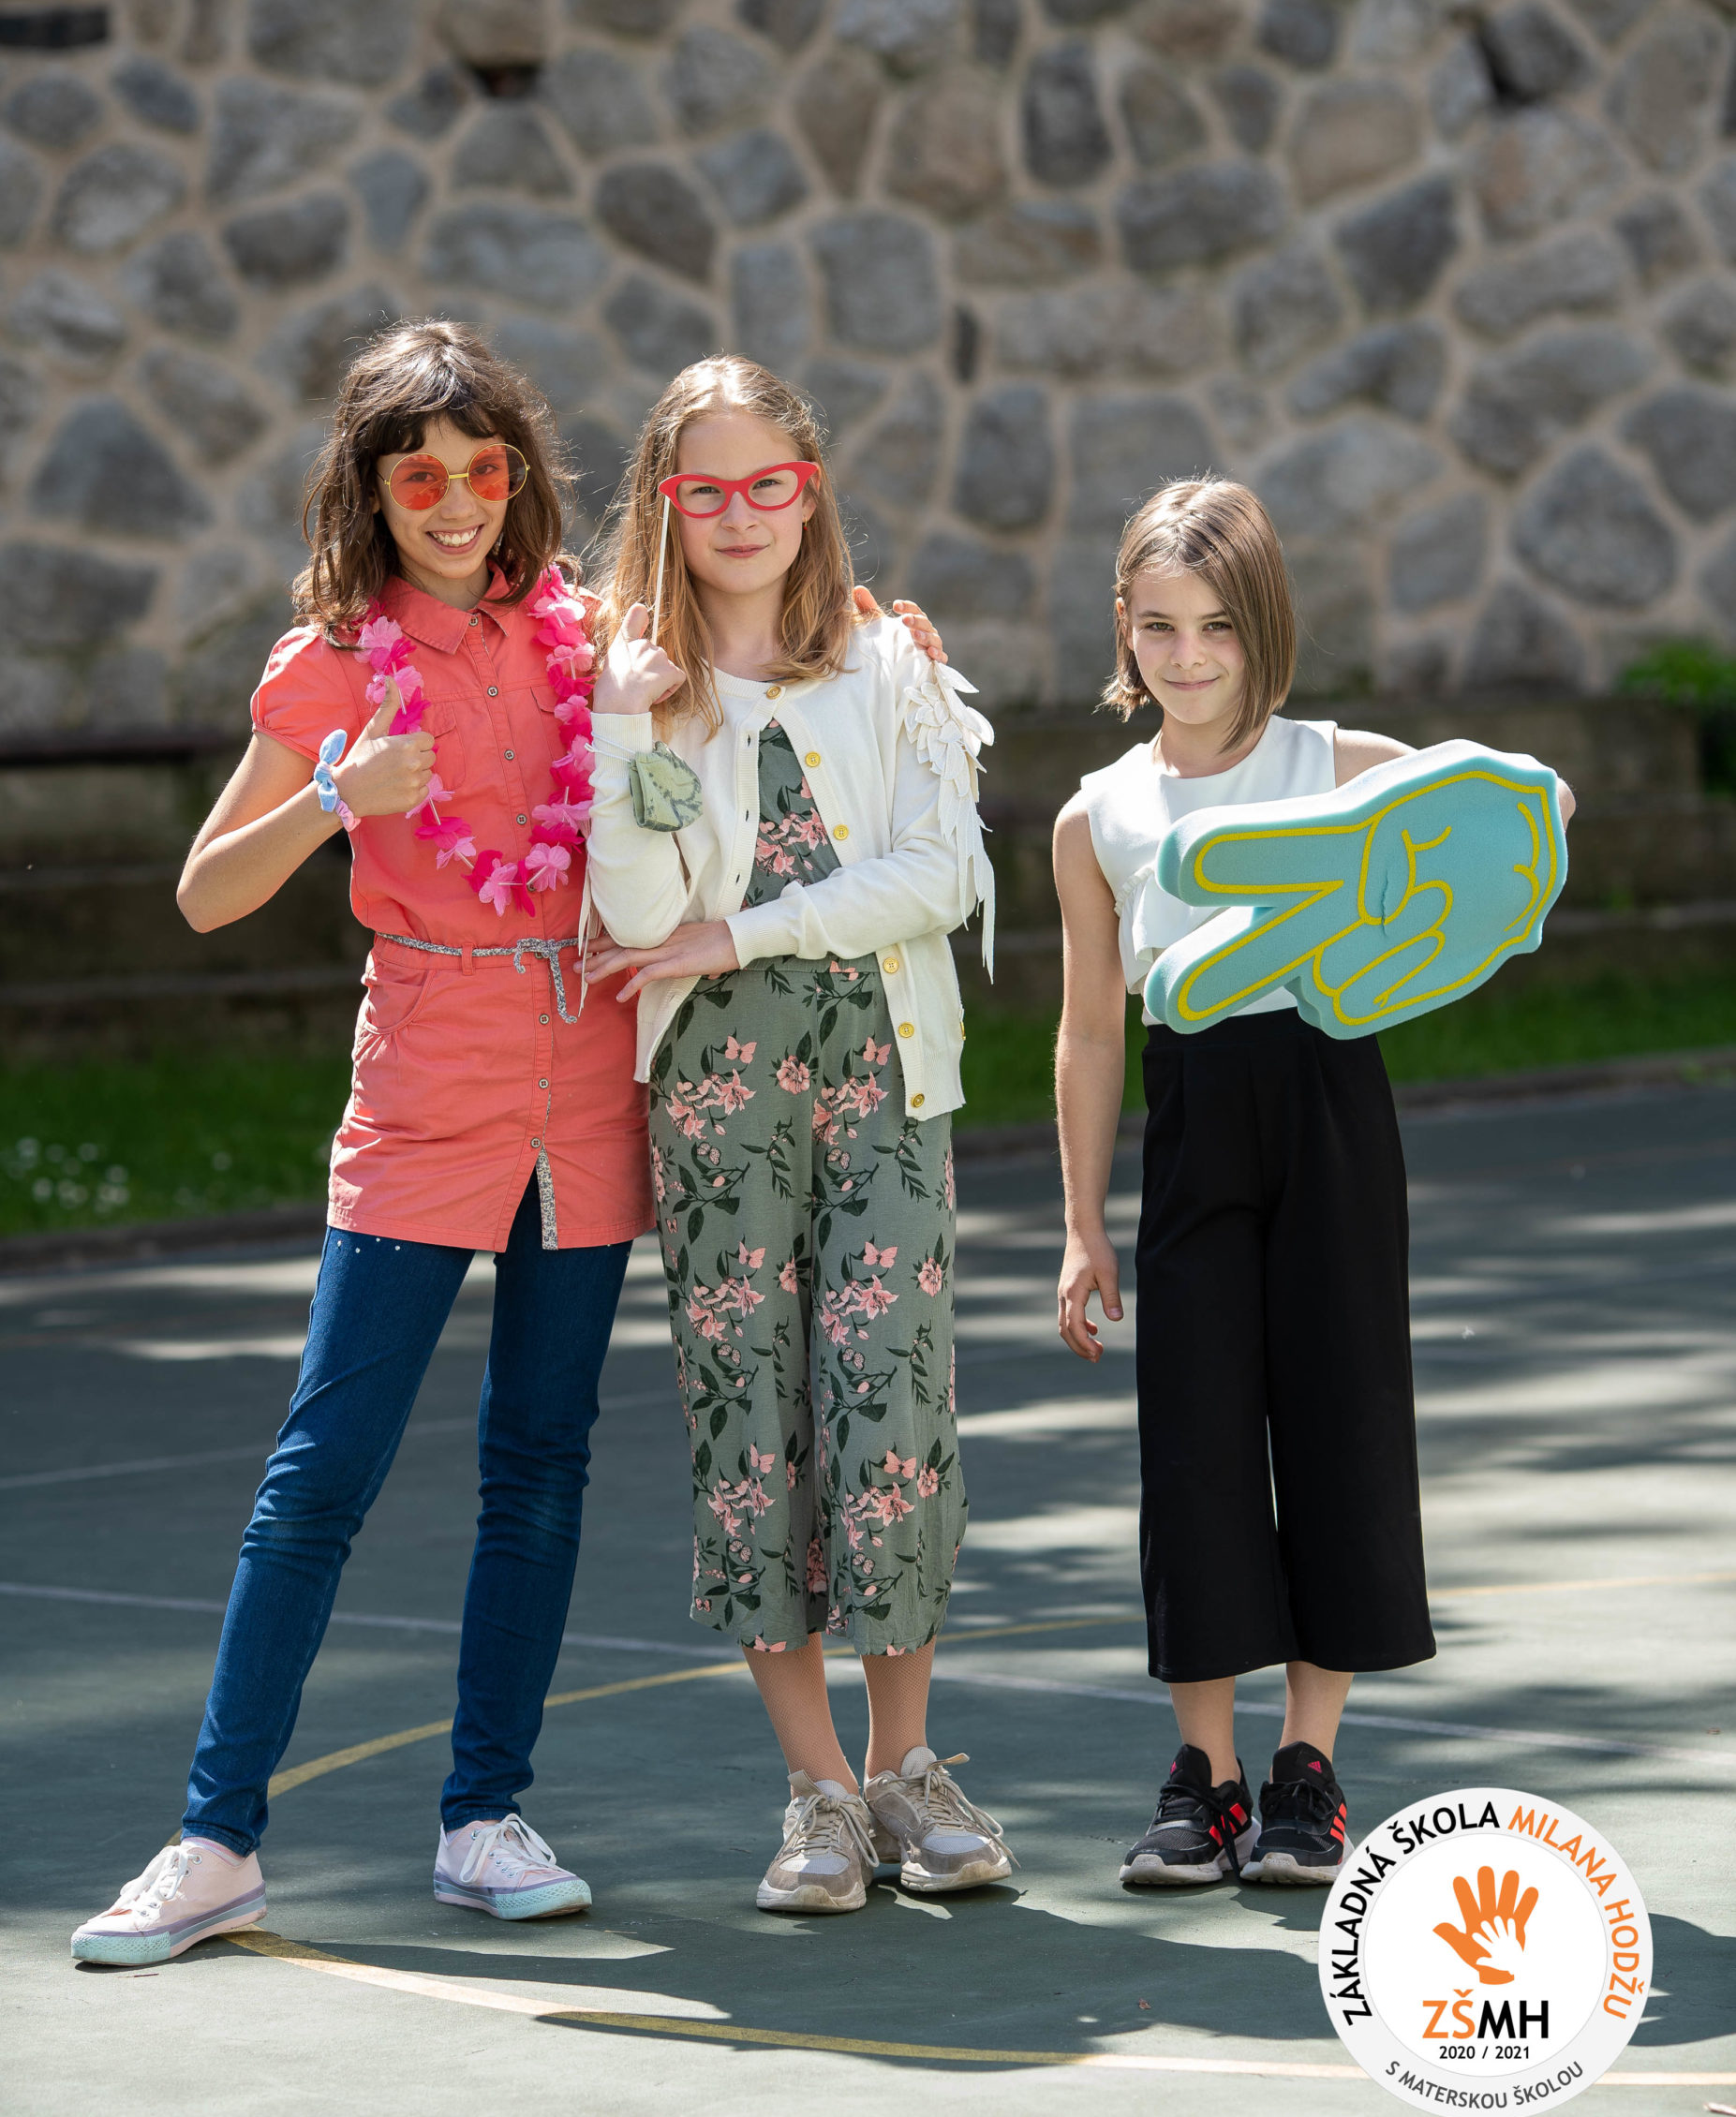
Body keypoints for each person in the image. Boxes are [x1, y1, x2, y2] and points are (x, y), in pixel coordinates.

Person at [69, 320, 665, 1965]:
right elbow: (205, 894)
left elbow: (746, 644)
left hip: (586, 1077)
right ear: (374, 492)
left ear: (518, 478)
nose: (458, 503)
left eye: (485, 471)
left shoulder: (588, 635)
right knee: (320, 1474)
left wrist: (880, 644)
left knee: (539, 1464)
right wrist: (341, 794)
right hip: (424, 1083)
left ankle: (485, 1818)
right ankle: (214, 1844)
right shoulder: (331, 661)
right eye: (422, 479)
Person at [1051, 478, 1571, 1890]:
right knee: (1195, 1441)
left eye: (1218, 626)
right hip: (1192, 1121)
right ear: (1124, 626)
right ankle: (1205, 1781)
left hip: (1332, 1106)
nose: (1189, 656)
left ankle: (1306, 1771)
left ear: (1264, 624)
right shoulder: (1098, 815)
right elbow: (1090, 1028)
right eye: (1160, 627)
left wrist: (1518, 828)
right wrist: (1081, 1223)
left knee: (1342, 1418)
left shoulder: (1339, 764)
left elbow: (1514, 810)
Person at [584, 355, 1015, 1915]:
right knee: (748, 1415)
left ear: (809, 491)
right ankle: (819, 1793)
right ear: (663, 506)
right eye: (704, 490)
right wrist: (624, 728)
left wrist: (742, 933)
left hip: (880, 1074)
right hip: (716, 1091)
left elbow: (938, 876)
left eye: (768, 482)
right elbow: (638, 913)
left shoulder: (888, 663)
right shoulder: (634, 686)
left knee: (888, 1403)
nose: (740, 514)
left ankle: (905, 1770)